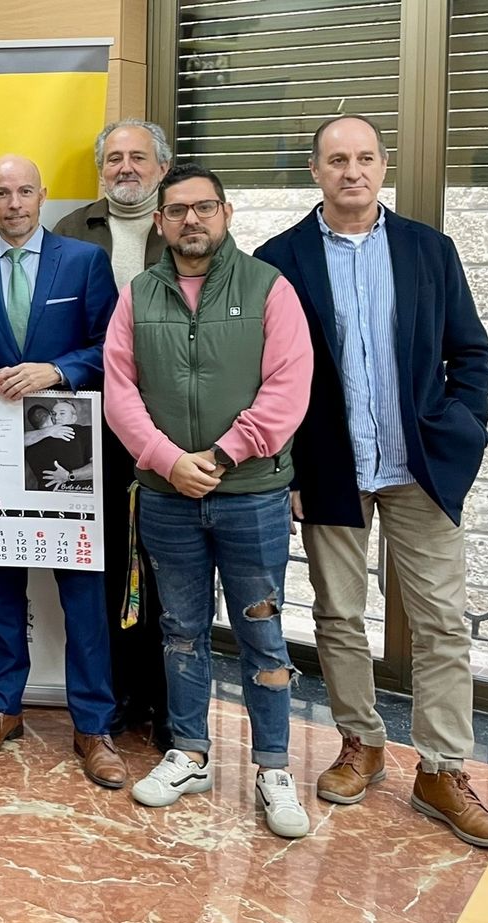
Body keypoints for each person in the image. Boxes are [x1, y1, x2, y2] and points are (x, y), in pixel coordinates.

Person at [256, 114, 488, 849]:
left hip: (419, 466)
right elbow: (275, 374)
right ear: (315, 170)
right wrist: (289, 465)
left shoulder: (430, 249)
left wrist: (457, 431)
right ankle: (359, 743)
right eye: (338, 159)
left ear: (383, 165)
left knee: (441, 623)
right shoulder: (282, 257)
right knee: (336, 614)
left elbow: (472, 354)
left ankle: (442, 768)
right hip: (332, 466)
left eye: (365, 157)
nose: (352, 171)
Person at [104, 162, 314, 839]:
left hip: (250, 493)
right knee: (182, 631)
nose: (190, 220)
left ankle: (274, 766)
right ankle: (189, 752)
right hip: (167, 496)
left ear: (225, 214)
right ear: (160, 223)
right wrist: (168, 460)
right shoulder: (138, 293)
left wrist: (222, 456)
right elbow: (119, 391)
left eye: (203, 208)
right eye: (177, 211)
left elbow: (287, 389)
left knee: (261, 631)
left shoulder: (268, 288)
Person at [0, 155, 124, 789]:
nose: (15, 202)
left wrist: (57, 371)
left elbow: (111, 346)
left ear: (44, 195)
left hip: (66, 445)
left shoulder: (83, 262)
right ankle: (4, 710)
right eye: (2, 192)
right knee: (2, 584)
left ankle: (94, 725)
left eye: (26, 190)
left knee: (82, 595)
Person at [55, 118, 175, 748]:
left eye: (139, 158)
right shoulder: (72, 230)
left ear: (161, 166)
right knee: (101, 566)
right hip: (90, 427)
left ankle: (168, 701)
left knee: (166, 567)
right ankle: (120, 695)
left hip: (174, 430)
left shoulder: (184, 222)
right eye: (114, 159)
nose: (125, 168)